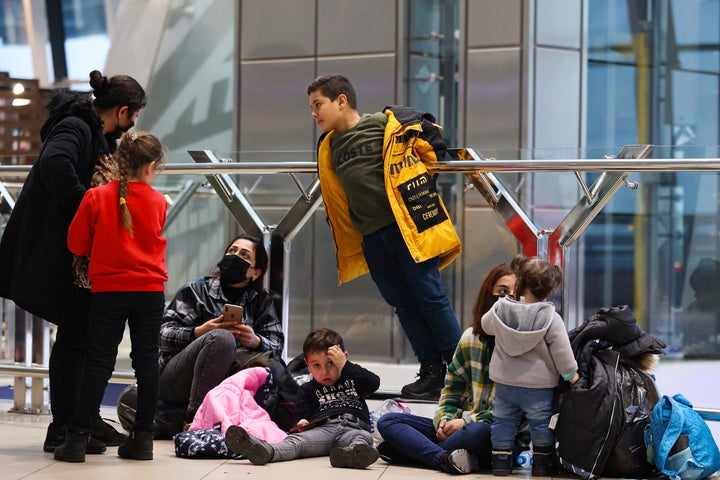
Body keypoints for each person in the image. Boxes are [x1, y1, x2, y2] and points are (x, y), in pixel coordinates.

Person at [0, 70, 147, 452]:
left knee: (80, 337)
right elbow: (54, 164)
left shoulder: (86, 128)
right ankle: (65, 427)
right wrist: (91, 209)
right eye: (134, 116)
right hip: (59, 254)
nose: (133, 124)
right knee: (76, 339)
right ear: (125, 111)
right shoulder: (76, 126)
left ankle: (82, 421)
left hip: (70, 253)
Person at [306, 73, 462, 400]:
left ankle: (460, 373)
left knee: (430, 297)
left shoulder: (385, 124)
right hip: (371, 237)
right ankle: (432, 371)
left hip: (406, 229)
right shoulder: (329, 145)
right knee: (403, 305)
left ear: (342, 100)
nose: (314, 113)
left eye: (318, 104)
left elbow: (432, 151)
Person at [53, 131, 168, 462]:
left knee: (98, 362)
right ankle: (143, 438)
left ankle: (76, 440)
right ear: (151, 166)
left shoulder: (96, 197)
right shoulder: (158, 201)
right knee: (147, 364)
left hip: (108, 291)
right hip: (150, 292)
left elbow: (76, 244)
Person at [377, 263, 517, 474]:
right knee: (389, 421)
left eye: (515, 296)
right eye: (502, 292)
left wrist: (465, 422)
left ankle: (414, 452)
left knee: (477, 431)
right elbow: (452, 389)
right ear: (488, 293)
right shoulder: (471, 338)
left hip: (497, 435)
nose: (506, 301)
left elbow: (514, 412)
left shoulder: (525, 346)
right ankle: (443, 457)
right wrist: (445, 421)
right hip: (459, 427)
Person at [157, 234, 284, 435]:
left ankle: (239, 423)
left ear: (255, 273)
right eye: (232, 251)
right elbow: (162, 334)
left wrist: (255, 340)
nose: (234, 256)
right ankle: (195, 421)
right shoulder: (196, 290)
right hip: (178, 376)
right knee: (222, 339)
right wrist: (199, 332)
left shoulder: (261, 302)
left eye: (244, 255)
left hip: (225, 378)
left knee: (272, 368)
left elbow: (277, 345)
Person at [224, 327, 380, 469]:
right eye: (316, 365)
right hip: (324, 428)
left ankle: (351, 456)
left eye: (331, 363)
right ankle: (266, 450)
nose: (325, 372)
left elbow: (374, 383)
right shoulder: (307, 389)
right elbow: (301, 417)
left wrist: (345, 366)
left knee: (364, 438)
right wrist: (303, 423)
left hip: (355, 429)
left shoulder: (352, 377)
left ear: (343, 358)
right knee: (297, 441)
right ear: (307, 364)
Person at [481, 254, 579, 476]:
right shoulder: (551, 318)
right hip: (539, 387)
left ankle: (501, 464)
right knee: (541, 425)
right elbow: (562, 351)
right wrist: (570, 374)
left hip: (505, 384)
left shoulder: (500, 309)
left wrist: (501, 308)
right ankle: (541, 465)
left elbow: (486, 326)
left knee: (503, 422)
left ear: (519, 282)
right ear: (550, 291)